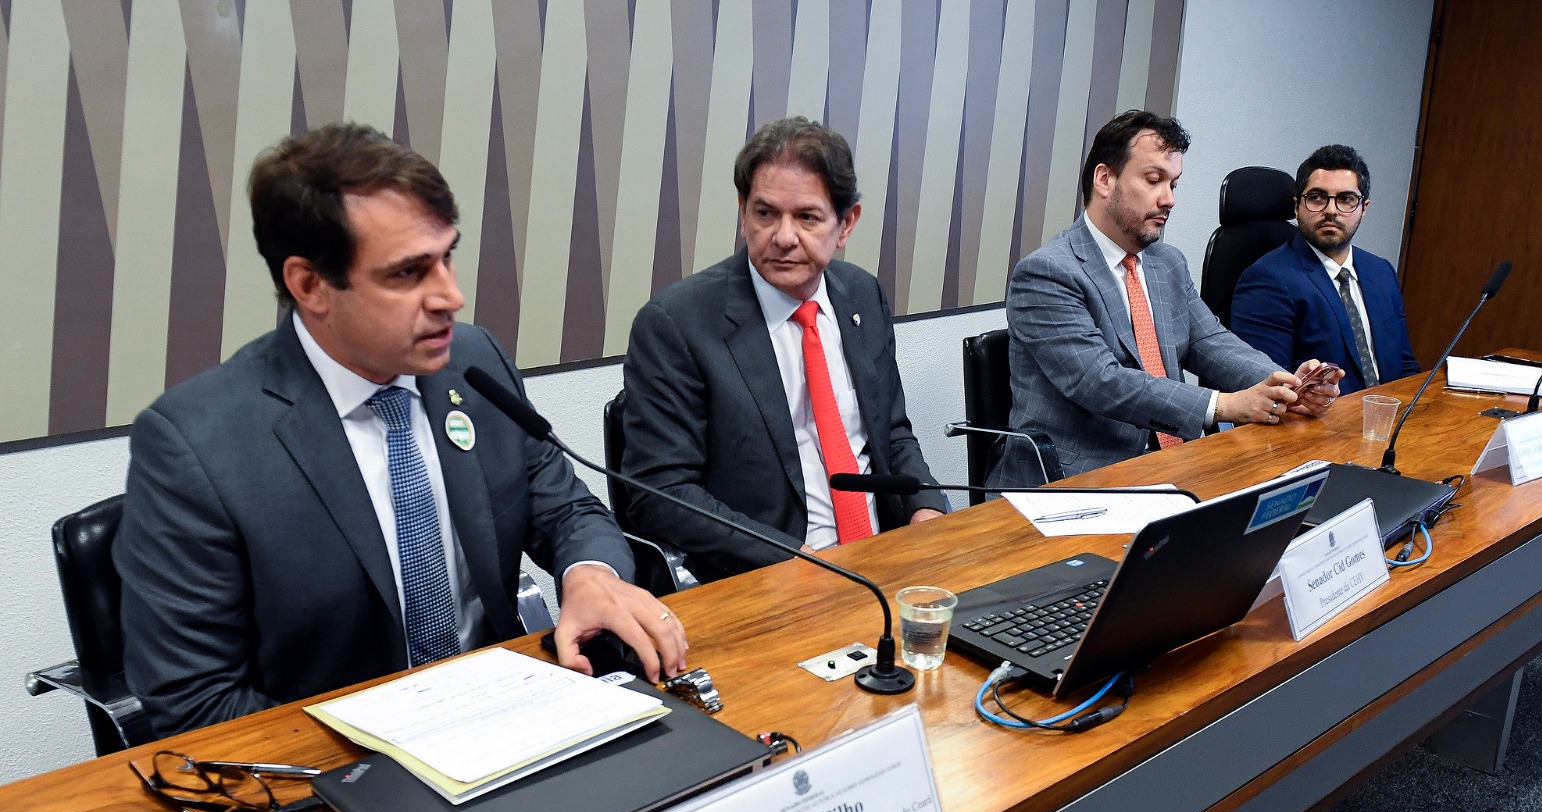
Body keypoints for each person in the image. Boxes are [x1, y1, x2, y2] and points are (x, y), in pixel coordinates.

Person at [115, 123, 687, 737]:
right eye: (408, 273)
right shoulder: (196, 444)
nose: (451, 296)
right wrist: (389, 754)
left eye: (447, 257)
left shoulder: (473, 362)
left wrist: (589, 575)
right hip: (337, 760)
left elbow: (567, 511)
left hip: (508, 719)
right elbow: (195, 704)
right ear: (310, 285)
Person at [620, 116, 945, 581]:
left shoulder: (862, 295)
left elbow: (891, 433)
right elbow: (660, 492)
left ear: (846, 223)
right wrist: (793, 557)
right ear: (743, 212)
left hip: (882, 560)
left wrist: (926, 507)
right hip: (768, 576)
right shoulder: (677, 324)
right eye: (765, 214)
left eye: (807, 217)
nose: (784, 237)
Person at [989, 111, 1342, 488]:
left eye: (1174, 184)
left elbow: (1210, 341)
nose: (1169, 199)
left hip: (1173, 464)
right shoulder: (1047, 272)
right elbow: (1100, 382)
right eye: (1153, 180)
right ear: (1105, 179)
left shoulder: (1166, 262)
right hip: (1074, 478)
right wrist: (1225, 405)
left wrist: (1286, 385)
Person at [1232, 144, 1419, 392]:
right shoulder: (1267, 280)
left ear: (1364, 208)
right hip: (1320, 415)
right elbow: (1270, 388)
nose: (1331, 211)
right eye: (1317, 198)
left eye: (1346, 199)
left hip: (1389, 411)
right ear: (1297, 206)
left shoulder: (1382, 272)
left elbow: (1405, 365)